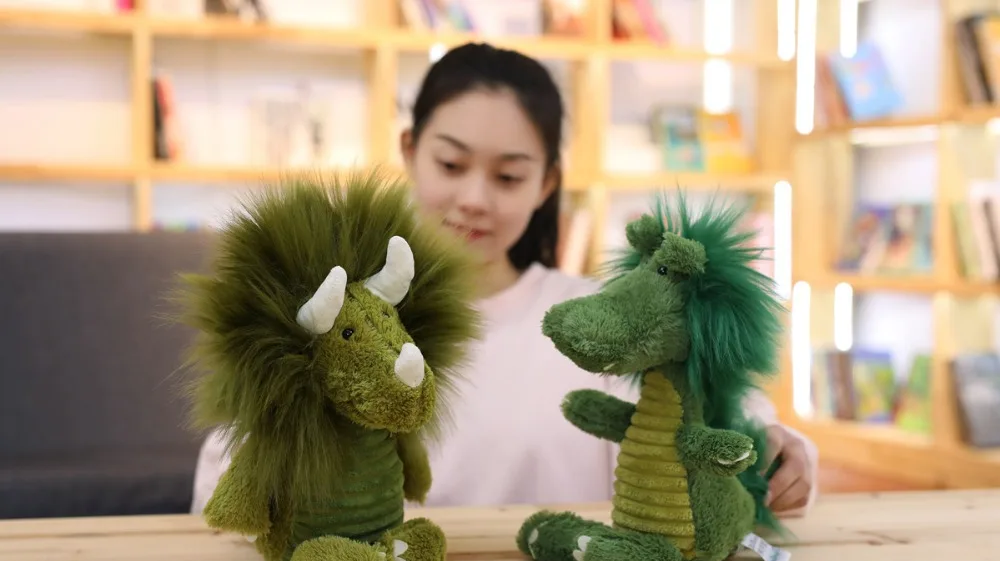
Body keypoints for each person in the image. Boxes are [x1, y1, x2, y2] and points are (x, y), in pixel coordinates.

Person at [190, 42, 818, 518]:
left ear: (547, 183)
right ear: (409, 151)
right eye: (451, 163)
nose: (474, 199)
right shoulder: (338, 320)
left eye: (509, 177)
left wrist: (780, 447)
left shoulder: (600, 322)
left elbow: (719, 416)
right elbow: (224, 486)